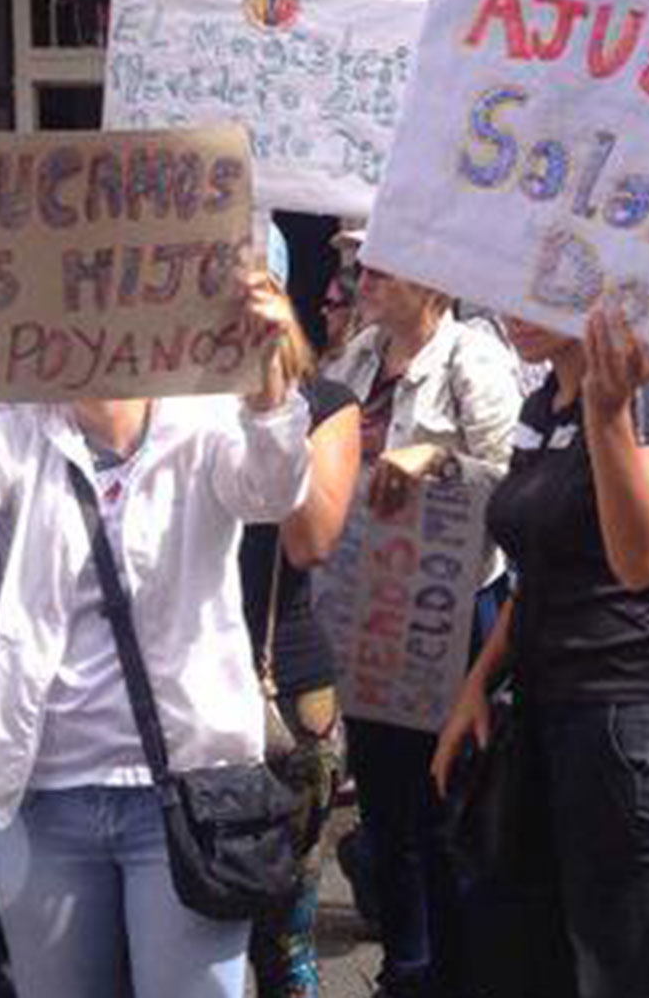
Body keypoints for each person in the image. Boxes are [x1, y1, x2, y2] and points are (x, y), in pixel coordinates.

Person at [0, 260, 310, 998]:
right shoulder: (14, 422)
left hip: (187, 793)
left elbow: (273, 490)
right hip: (45, 794)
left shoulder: (207, 414)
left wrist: (268, 388)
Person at [433, 308, 649, 998]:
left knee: (614, 966)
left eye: (541, 291)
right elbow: (538, 568)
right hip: (541, 709)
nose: (514, 311)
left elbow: (643, 558)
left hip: (624, 719)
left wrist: (606, 416)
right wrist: (477, 684)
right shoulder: (539, 402)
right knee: (532, 954)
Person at [322, 231, 521, 998]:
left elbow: (512, 482)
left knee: (444, 806)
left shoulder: (471, 357)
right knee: (383, 801)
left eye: (378, 267)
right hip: (371, 605)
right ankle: (406, 967)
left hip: (447, 607)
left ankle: (454, 972)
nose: (360, 278)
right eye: (359, 267)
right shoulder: (359, 355)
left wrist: (436, 464)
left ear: (431, 281)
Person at [243, 293, 361, 998]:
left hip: (283, 692)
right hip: (177, 684)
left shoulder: (325, 403)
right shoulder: (172, 401)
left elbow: (311, 539)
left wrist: (268, 408)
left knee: (286, 942)